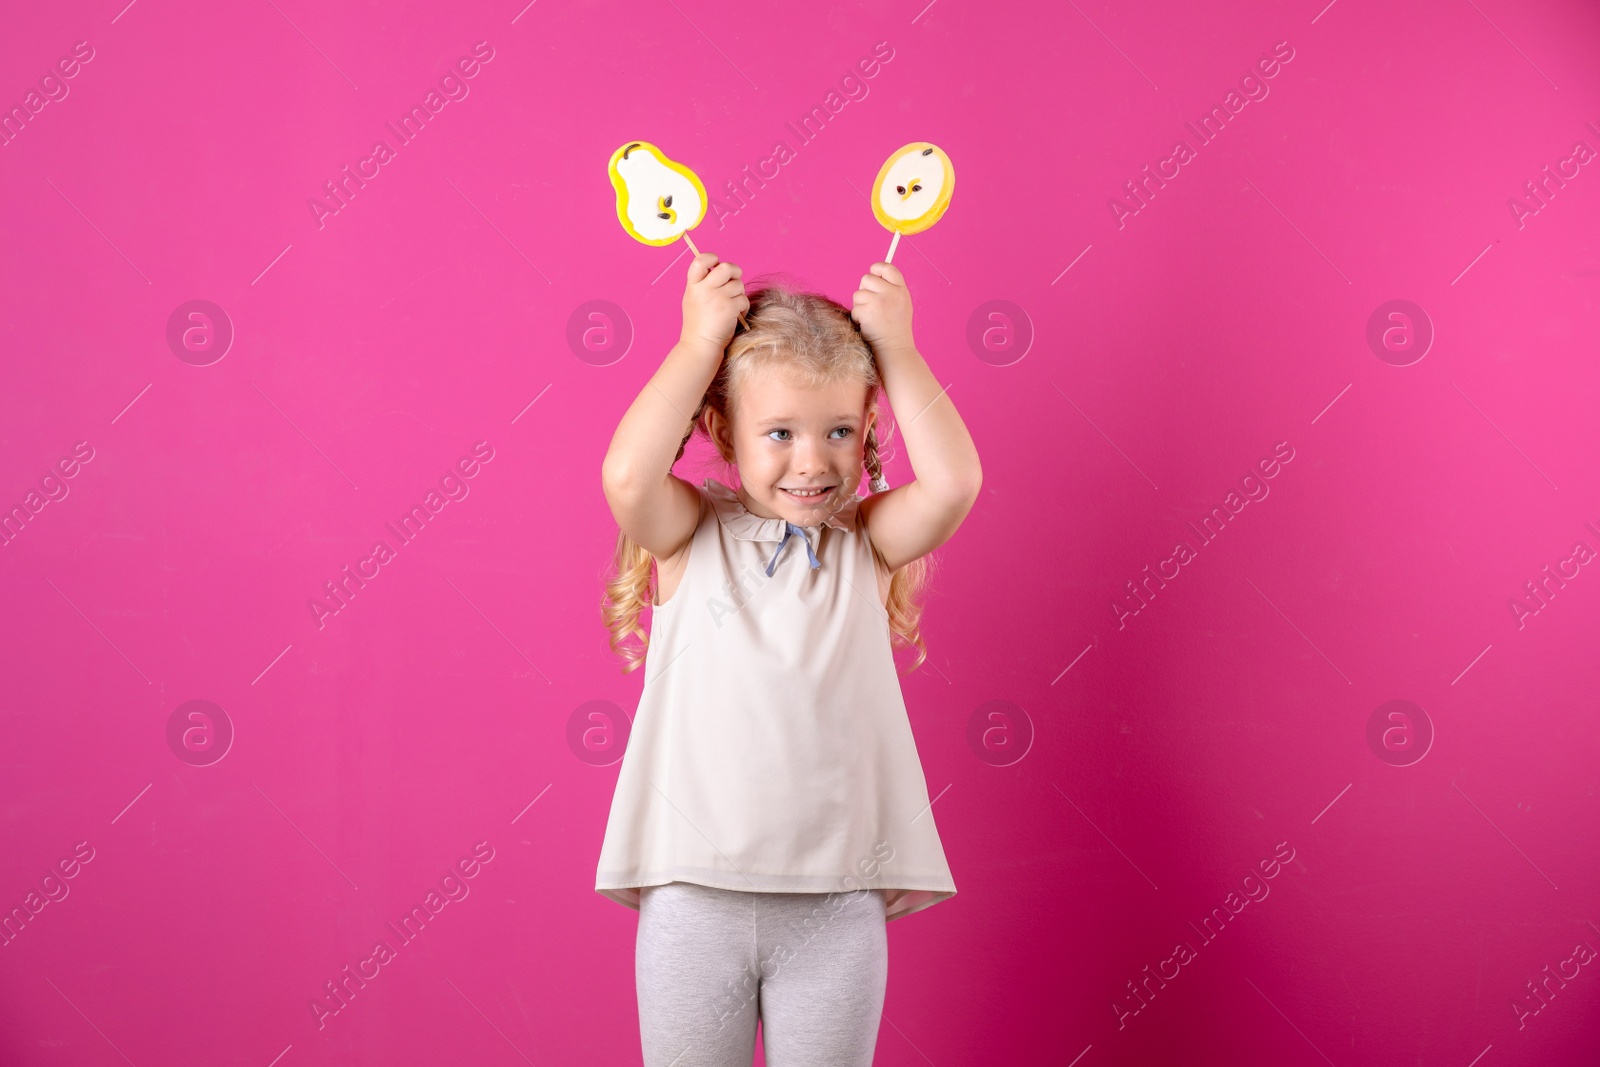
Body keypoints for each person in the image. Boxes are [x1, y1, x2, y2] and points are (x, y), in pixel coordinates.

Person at [595, 250, 982, 1066]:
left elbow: (951, 485)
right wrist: (700, 343)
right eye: (779, 433)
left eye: (840, 430)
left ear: (869, 430)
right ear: (722, 430)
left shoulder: (864, 545)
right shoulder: (690, 535)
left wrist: (899, 350)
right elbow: (628, 474)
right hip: (694, 898)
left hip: (835, 909)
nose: (813, 461)